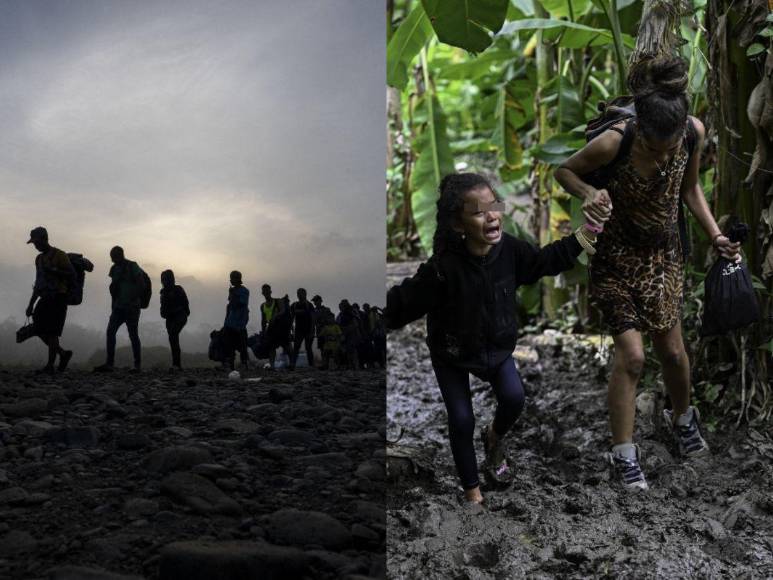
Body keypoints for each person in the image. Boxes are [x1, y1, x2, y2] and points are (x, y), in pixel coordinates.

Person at [554, 56, 741, 491]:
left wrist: (714, 235)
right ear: (642, 131)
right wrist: (588, 191)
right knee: (634, 357)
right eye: (654, 148)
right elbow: (563, 171)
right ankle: (623, 454)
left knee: (673, 353)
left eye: (670, 146)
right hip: (615, 257)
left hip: (663, 257)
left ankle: (683, 419)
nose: (663, 155)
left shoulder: (691, 134)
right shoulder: (615, 141)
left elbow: (690, 188)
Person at [385, 172, 597, 504]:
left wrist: (584, 237)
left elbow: (542, 262)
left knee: (514, 398)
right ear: (458, 224)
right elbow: (404, 302)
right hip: (452, 351)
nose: (492, 215)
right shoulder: (443, 268)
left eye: (494, 206)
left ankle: (493, 437)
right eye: (479, 212)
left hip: (496, 348)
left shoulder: (510, 250)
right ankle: (473, 493)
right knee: (461, 418)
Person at [25, 227, 76, 374]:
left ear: (44, 239)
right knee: (39, 328)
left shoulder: (60, 255)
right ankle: (63, 354)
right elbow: (38, 282)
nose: (35, 245)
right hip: (44, 298)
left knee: (52, 332)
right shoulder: (39, 259)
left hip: (59, 297)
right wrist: (30, 304)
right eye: (33, 243)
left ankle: (50, 365)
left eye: (36, 242)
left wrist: (54, 271)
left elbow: (71, 275)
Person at [94, 246, 145, 373]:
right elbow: (114, 290)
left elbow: (141, 284)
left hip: (131, 307)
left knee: (133, 335)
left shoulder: (132, 266)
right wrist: (113, 306)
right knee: (110, 332)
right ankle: (110, 363)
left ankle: (137, 365)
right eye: (112, 258)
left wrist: (134, 299)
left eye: (114, 257)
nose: (113, 260)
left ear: (121, 255)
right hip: (118, 307)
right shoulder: (114, 269)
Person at [160, 270, 190, 370]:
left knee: (173, 336)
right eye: (162, 279)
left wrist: (183, 312)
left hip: (179, 316)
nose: (163, 281)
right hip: (170, 318)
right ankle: (176, 364)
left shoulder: (178, 289)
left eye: (165, 279)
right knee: (173, 339)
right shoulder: (164, 293)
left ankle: (176, 364)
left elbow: (185, 303)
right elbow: (163, 310)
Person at [223, 271, 250, 371]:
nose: (230, 280)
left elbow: (241, 303)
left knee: (242, 344)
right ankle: (230, 364)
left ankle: (244, 363)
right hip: (230, 322)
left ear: (238, 279)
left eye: (232, 278)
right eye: (230, 278)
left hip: (240, 323)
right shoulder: (233, 290)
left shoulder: (244, 291)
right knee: (229, 344)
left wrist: (233, 294)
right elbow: (230, 305)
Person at [290, 288, 315, 368]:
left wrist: (312, 331)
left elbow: (313, 319)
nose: (299, 295)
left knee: (308, 348)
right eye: (298, 293)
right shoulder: (294, 305)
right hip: (298, 330)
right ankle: (292, 364)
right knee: (296, 347)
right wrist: (291, 329)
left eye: (301, 293)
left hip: (308, 330)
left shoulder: (309, 305)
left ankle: (311, 364)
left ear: (305, 294)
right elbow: (291, 318)